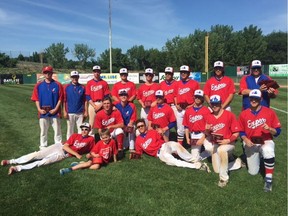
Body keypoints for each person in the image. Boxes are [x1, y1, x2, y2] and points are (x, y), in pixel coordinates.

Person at [1, 123, 95, 175]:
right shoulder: (75, 135)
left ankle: (16, 168)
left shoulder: (91, 139)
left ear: (89, 130)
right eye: (82, 129)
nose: (84, 131)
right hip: (58, 147)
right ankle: (10, 161)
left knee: (42, 162)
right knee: (36, 155)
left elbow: (92, 150)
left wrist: (89, 156)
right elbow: (65, 146)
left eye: (86, 129)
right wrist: (76, 154)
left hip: (63, 155)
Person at [238, 89, 281, 192]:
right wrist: (245, 139)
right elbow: (241, 131)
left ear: (261, 99)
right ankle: (259, 158)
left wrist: (270, 129)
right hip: (251, 142)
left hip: (266, 141)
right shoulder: (243, 114)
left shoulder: (269, 112)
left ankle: (268, 180)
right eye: (252, 98)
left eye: (256, 99)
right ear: (249, 99)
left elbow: (278, 131)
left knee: (268, 151)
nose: (253, 100)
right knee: (253, 172)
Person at [133, 119, 210, 172]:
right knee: (174, 162)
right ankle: (197, 166)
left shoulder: (152, 132)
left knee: (176, 145)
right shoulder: (138, 140)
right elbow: (138, 152)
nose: (141, 128)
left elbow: (166, 141)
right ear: (137, 128)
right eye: (139, 127)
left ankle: (197, 159)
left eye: (142, 125)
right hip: (160, 154)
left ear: (145, 126)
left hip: (165, 146)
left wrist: (163, 134)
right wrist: (133, 156)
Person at [203, 95, 242, 188]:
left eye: (217, 104)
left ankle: (224, 178)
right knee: (217, 170)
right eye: (213, 104)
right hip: (216, 144)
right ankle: (237, 162)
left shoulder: (229, 115)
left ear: (221, 103)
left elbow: (237, 133)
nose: (215, 106)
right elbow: (207, 134)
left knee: (222, 150)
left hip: (229, 143)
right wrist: (207, 130)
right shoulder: (209, 116)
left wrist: (228, 140)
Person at [31, 66, 63, 149]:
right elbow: (36, 99)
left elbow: (61, 98)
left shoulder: (57, 85)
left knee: (57, 131)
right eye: (45, 72)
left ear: (52, 73)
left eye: (49, 72)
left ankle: (58, 146)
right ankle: (43, 146)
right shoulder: (38, 85)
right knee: (43, 131)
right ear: (43, 74)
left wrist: (56, 109)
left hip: (55, 113)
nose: (47, 74)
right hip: (43, 112)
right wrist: (39, 109)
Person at [175, 65, 200, 145]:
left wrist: (192, 105)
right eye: (182, 72)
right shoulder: (177, 83)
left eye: (185, 72)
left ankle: (195, 145)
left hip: (190, 108)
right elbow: (175, 96)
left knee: (192, 127)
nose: (183, 73)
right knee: (180, 129)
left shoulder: (194, 83)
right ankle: (180, 146)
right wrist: (176, 105)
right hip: (179, 109)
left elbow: (198, 98)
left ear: (189, 73)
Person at [183, 89, 211, 162]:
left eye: (199, 97)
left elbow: (209, 127)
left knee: (210, 149)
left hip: (204, 134)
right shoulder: (188, 111)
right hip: (193, 135)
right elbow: (186, 126)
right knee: (194, 159)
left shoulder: (206, 110)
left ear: (202, 99)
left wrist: (202, 138)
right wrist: (187, 138)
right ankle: (198, 157)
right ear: (194, 97)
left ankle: (213, 151)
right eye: (196, 97)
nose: (198, 99)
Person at [85, 65, 110, 135]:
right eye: (95, 71)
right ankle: (90, 139)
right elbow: (87, 96)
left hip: (102, 104)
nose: (96, 73)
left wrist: (101, 105)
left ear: (100, 72)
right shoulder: (89, 83)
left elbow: (107, 96)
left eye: (98, 71)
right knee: (91, 123)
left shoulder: (104, 83)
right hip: (92, 104)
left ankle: (104, 138)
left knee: (103, 122)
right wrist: (94, 105)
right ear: (93, 73)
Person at [63, 71, 88, 140]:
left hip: (80, 112)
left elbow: (85, 100)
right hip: (70, 112)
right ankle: (69, 143)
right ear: (71, 78)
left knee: (80, 129)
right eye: (73, 77)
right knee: (70, 129)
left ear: (78, 77)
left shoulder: (82, 87)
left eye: (76, 77)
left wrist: (86, 111)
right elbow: (64, 100)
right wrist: (64, 111)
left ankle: (80, 142)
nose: (75, 78)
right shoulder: (66, 87)